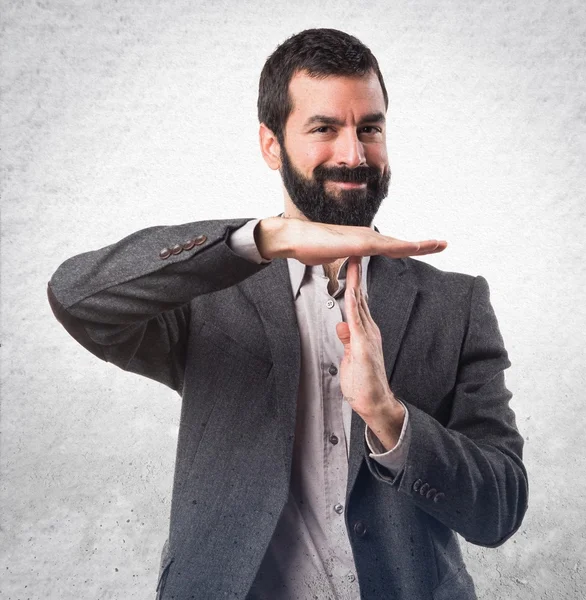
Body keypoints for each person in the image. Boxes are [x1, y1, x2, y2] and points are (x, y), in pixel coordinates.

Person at [48, 28, 528, 600]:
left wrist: (388, 416)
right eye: (324, 128)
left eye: (369, 128)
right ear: (271, 145)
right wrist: (259, 241)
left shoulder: (456, 304)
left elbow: (500, 509)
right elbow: (76, 296)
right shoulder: (207, 294)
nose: (353, 154)